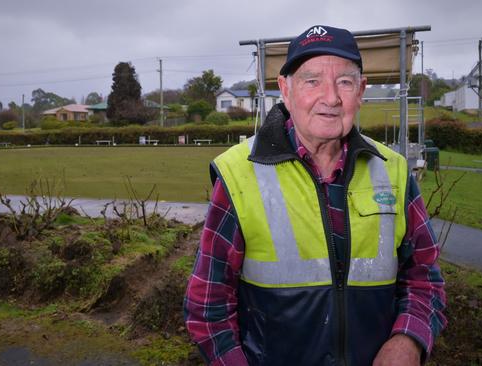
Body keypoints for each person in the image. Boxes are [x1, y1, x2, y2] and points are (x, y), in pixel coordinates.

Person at [184, 24, 446, 366]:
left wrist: (408, 340)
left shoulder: (393, 172)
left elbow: (424, 279)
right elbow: (208, 307)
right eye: (312, 81)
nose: (332, 98)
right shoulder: (239, 173)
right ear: (285, 90)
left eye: (345, 82)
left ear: (361, 91)